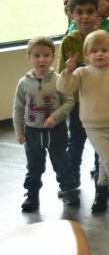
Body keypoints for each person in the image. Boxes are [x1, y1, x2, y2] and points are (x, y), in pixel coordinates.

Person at [57, 30, 109, 213]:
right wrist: (67, 71)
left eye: (104, 50)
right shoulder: (82, 73)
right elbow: (64, 88)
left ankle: (100, 197)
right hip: (93, 127)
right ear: (86, 55)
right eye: (94, 51)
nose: (99, 54)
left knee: (104, 162)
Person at [14, 37, 80, 211]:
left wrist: (56, 117)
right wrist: (19, 131)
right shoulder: (23, 83)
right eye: (37, 56)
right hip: (32, 132)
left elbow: (69, 101)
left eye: (46, 55)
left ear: (53, 56)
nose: (41, 59)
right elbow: (18, 108)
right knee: (34, 166)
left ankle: (68, 191)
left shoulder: (59, 79)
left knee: (61, 162)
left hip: (56, 131)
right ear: (29, 58)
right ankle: (32, 195)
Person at [57, 0, 99, 186]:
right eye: (79, 12)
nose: (85, 17)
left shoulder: (103, 37)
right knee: (76, 141)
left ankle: (102, 178)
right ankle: (71, 179)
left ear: (97, 14)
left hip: (100, 101)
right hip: (77, 103)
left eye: (90, 12)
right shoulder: (69, 41)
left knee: (101, 141)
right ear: (71, 14)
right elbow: (61, 73)